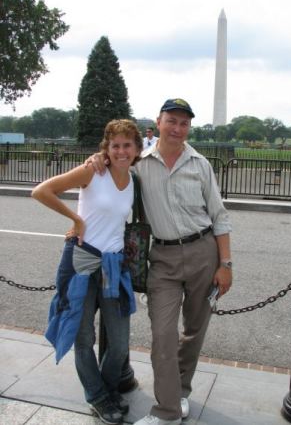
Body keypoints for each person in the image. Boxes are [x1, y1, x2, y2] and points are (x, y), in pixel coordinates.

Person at [88, 98, 232, 425]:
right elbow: (112, 167)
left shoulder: (200, 165)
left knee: (194, 331)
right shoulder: (140, 164)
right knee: (163, 335)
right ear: (159, 121)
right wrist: (98, 158)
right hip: (163, 259)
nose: (177, 128)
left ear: (189, 127)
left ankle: (179, 393)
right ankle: (167, 412)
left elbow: (220, 217)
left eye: (184, 123)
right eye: (172, 121)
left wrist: (226, 264)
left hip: (203, 252)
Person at [32, 119, 143, 425]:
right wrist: (76, 219)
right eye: (115, 145)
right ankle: (97, 396)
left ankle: (106, 389)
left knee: (119, 342)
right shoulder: (93, 172)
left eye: (127, 145)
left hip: (112, 264)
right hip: (81, 258)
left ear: (136, 149)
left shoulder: (134, 179)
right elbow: (42, 191)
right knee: (84, 338)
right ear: (106, 149)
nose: (121, 151)